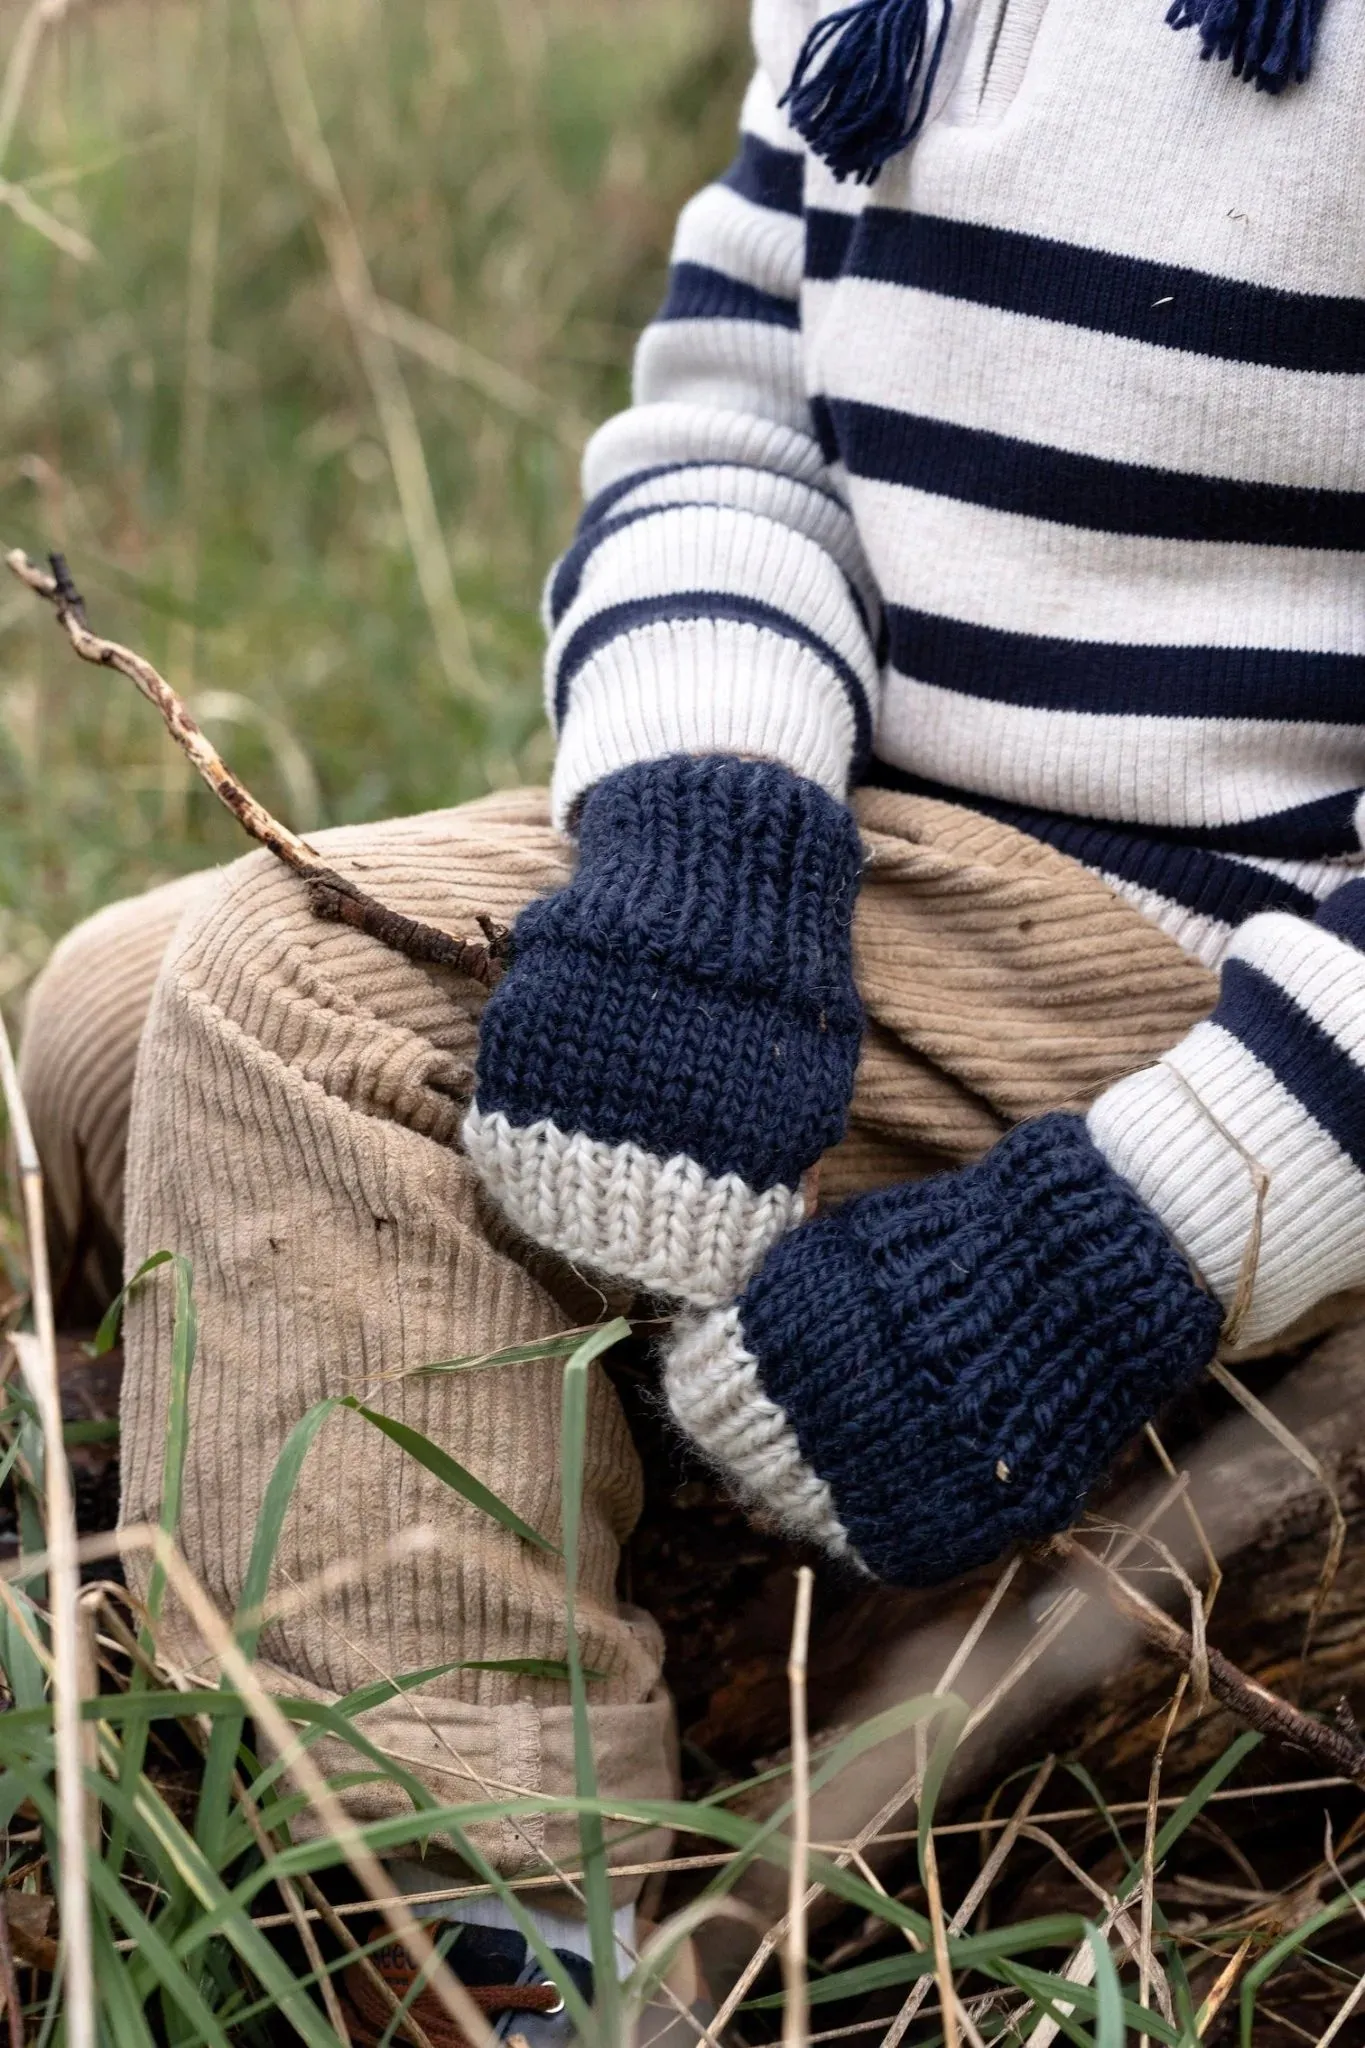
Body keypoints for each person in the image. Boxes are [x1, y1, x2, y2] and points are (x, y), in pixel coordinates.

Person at [20, 0, 1365, 2035]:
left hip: (1233, 960)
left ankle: (476, 1956)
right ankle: (286, 1561)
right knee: (114, 1015)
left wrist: (1138, 1235)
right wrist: (702, 830)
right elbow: (732, 421)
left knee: (304, 1009)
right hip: (913, 846)